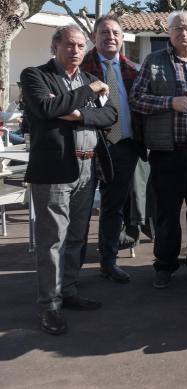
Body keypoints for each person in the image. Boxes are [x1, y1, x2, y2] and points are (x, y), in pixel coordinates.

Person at [21, 24, 117, 335]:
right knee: (52, 242)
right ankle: (50, 305)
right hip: (54, 170)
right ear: (55, 46)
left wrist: (77, 114)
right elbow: (46, 107)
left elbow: (110, 116)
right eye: (69, 45)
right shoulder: (35, 75)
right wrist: (87, 95)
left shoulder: (87, 78)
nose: (75, 50)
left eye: (80, 45)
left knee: (76, 236)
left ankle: (70, 291)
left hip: (88, 169)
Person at [129, 10, 187, 289]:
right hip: (169, 152)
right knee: (168, 213)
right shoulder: (154, 62)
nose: (184, 34)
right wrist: (170, 102)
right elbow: (136, 99)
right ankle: (165, 265)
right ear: (169, 33)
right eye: (178, 29)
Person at [79, 15, 146, 284]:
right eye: (104, 32)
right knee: (80, 208)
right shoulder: (81, 68)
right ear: (94, 37)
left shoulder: (133, 69)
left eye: (115, 33)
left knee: (114, 208)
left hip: (124, 147)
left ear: (122, 37)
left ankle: (108, 263)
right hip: (88, 147)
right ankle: (72, 266)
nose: (110, 37)